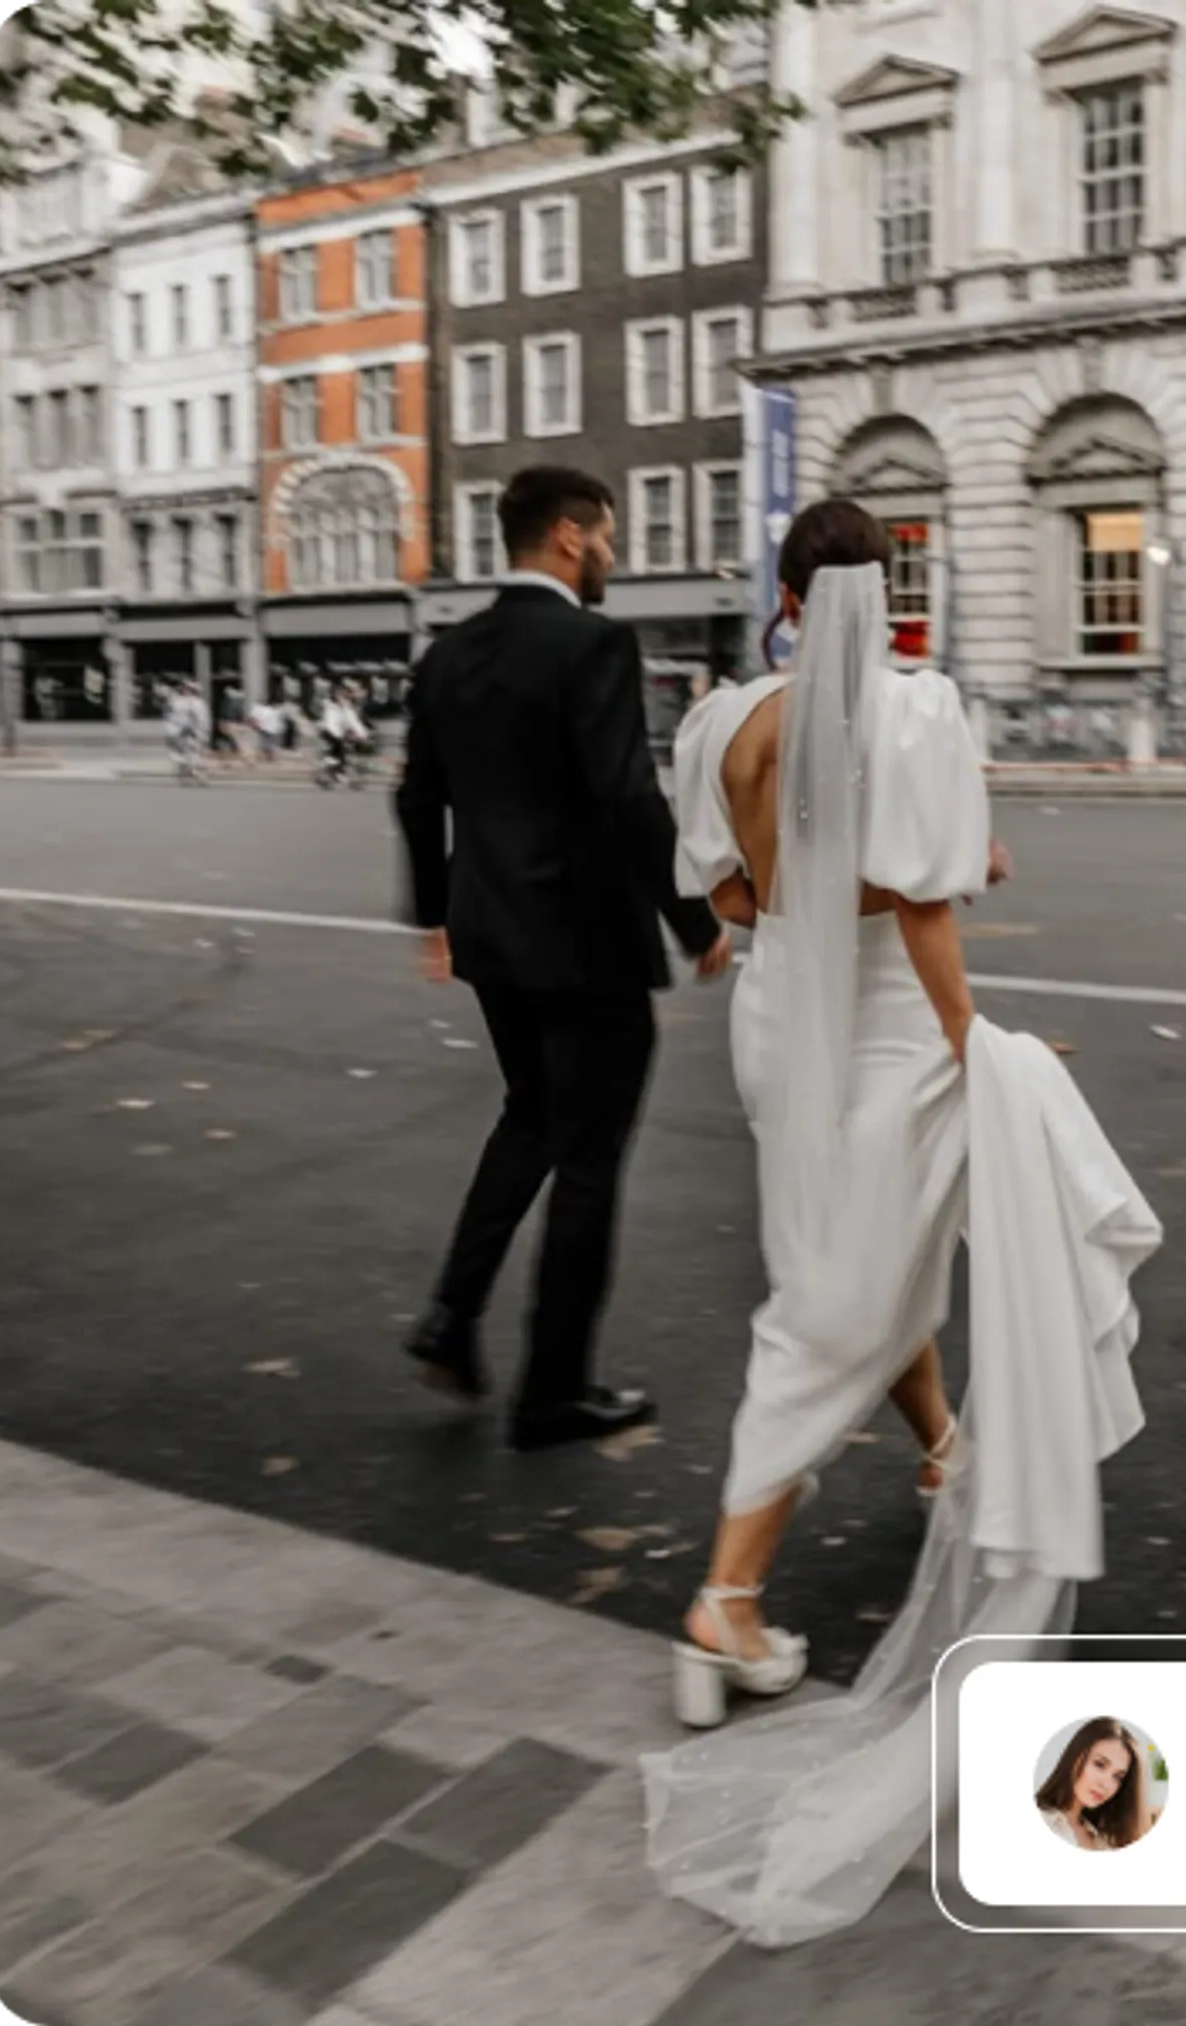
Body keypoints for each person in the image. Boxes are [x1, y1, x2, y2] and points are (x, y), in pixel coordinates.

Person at [641, 500, 1161, 1948]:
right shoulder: (916, 711)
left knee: (849, 1260)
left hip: (772, 1017)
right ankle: (726, 1599)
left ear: (791, 594)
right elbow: (931, 903)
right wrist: (970, 1042)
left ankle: (939, 1450)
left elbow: (734, 891)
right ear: (887, 589)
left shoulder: (725, 717)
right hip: (880, 1028)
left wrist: (867, 896)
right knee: (832, 1311)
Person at [395, 465, 732, 1452]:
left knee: (530, 1118)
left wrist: (434, 917)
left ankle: (451, 1315)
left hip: (491, 935)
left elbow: (418, 799)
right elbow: (629, 794)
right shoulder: (593, 644)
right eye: (609, 537)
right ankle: (553, 1389)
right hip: (587, 943)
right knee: (589, 1157)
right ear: (572, 538)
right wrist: (696, 923)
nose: (614, 557)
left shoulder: (448, 653)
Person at [1035, 1717, 1151, 1851]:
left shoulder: (1106, 1838)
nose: (1106, 1785)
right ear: (1075, 1759)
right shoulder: (1044, 1820)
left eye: (1118, 1777)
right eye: (1100, 1765)